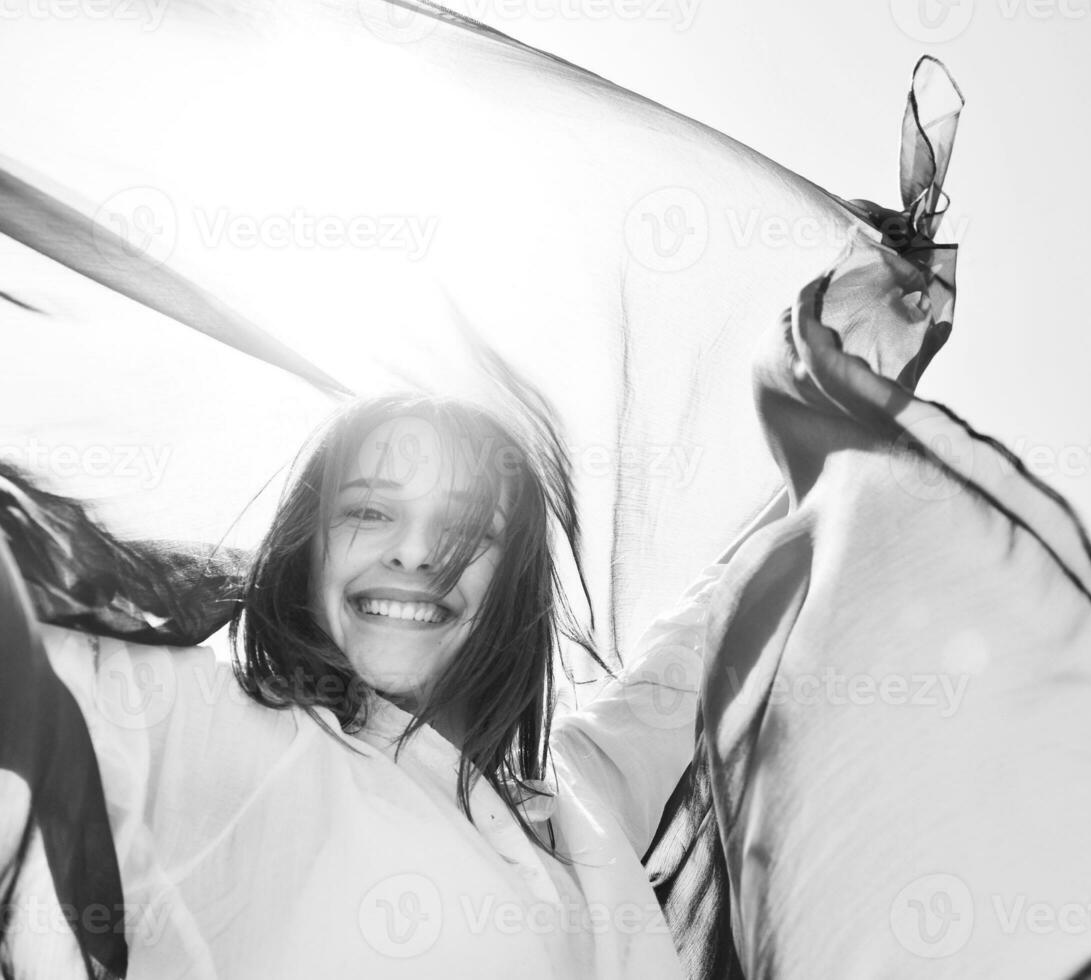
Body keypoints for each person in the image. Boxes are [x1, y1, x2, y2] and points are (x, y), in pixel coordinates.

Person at [4, 391, 777, 979]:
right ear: (309, 550)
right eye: (370, 511)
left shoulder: (576, 799)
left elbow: (699, 643)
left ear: (511, 581)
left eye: (467, 524)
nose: (415, 552)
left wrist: (842, 435)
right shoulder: (222, 725)